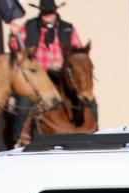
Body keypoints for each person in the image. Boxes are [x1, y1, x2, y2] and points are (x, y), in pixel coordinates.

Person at [7, 0, 83, 144]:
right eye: (45, 13)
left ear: (55, 12)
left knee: (87, 100)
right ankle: (16, 138)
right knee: (24, 101)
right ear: (40, 13)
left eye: (50, 13)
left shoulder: (67, 28)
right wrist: (13, 35)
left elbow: (77, 50)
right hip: (38, 75)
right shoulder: (30, 26)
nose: (47, 16)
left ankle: (91, 129)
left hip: (61, 74)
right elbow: (16, 47)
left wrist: (64, 63)